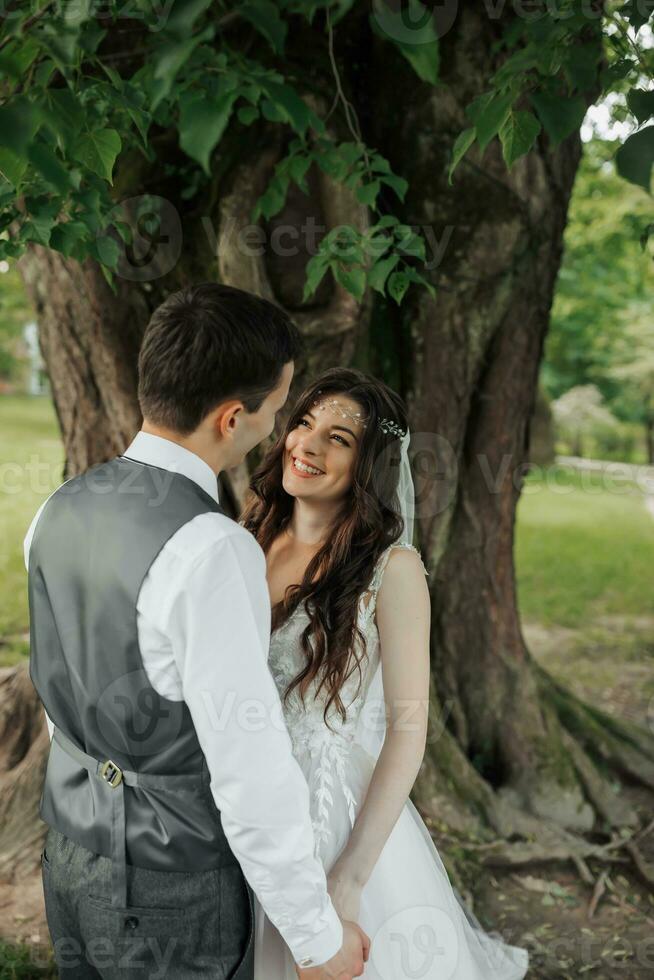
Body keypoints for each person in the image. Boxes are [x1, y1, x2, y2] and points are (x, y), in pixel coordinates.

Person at [24, 284, 369, 979]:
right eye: (275, 412)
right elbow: (247, 763)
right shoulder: (212, 546)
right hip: (169, 885)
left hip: (66, 853)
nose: (275, 433)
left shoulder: (57, 508)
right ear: (232, 416)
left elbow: (63, 692)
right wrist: (316, 938)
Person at [243, 367, 530, 980]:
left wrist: (349, 875)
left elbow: (407, 728)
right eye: (303, 424)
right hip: (240, 792)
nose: (309, 446)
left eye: (338, 439)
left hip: (326, 814)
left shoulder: (391, 570)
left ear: (368, 465)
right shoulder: (248, 535)